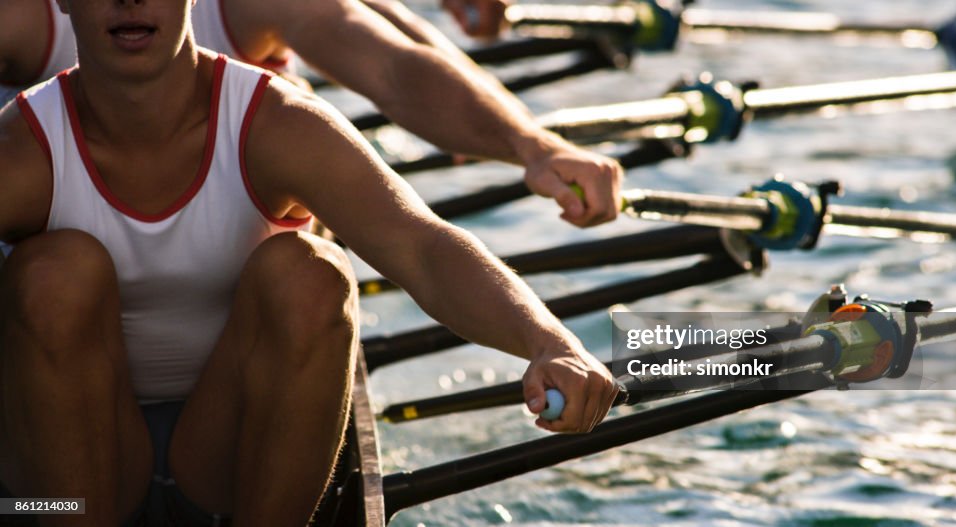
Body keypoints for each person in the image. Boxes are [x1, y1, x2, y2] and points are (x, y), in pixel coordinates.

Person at [0, 0, 619, 525]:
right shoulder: (20, 151)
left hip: (229, 446)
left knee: (312, 274)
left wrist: (549, 341)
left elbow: (423, 247)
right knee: (55, 274)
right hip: (62, 488)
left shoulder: (279, 124)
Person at [0, 0, 622, 230]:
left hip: (252, 273)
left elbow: (394, 66)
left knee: (307, 276)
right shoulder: (24, 19)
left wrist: (533, 145)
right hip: (61, 279)